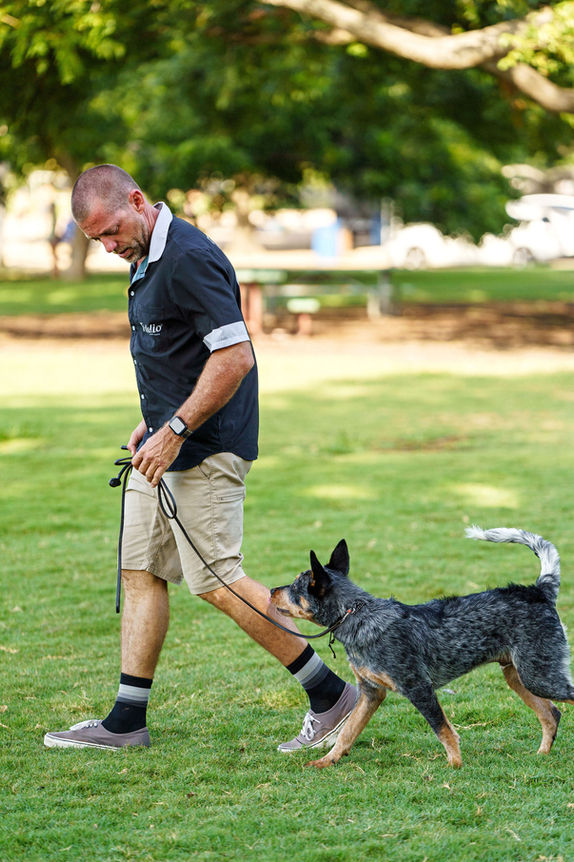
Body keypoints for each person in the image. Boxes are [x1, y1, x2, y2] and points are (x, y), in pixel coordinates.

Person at [44, 164, 356, 753]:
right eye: (96, 241)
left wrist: (178, 427)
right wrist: (154, 418)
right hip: (163, 445)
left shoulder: (188, 257)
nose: (109, 248)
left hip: (205, 449)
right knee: (140, 570)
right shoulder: (143, 257)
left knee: (218, 581)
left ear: (137, 201)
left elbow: (235, 355)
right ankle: (126, 719)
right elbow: (183, 351)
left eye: (111, 232)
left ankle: (330, 695)